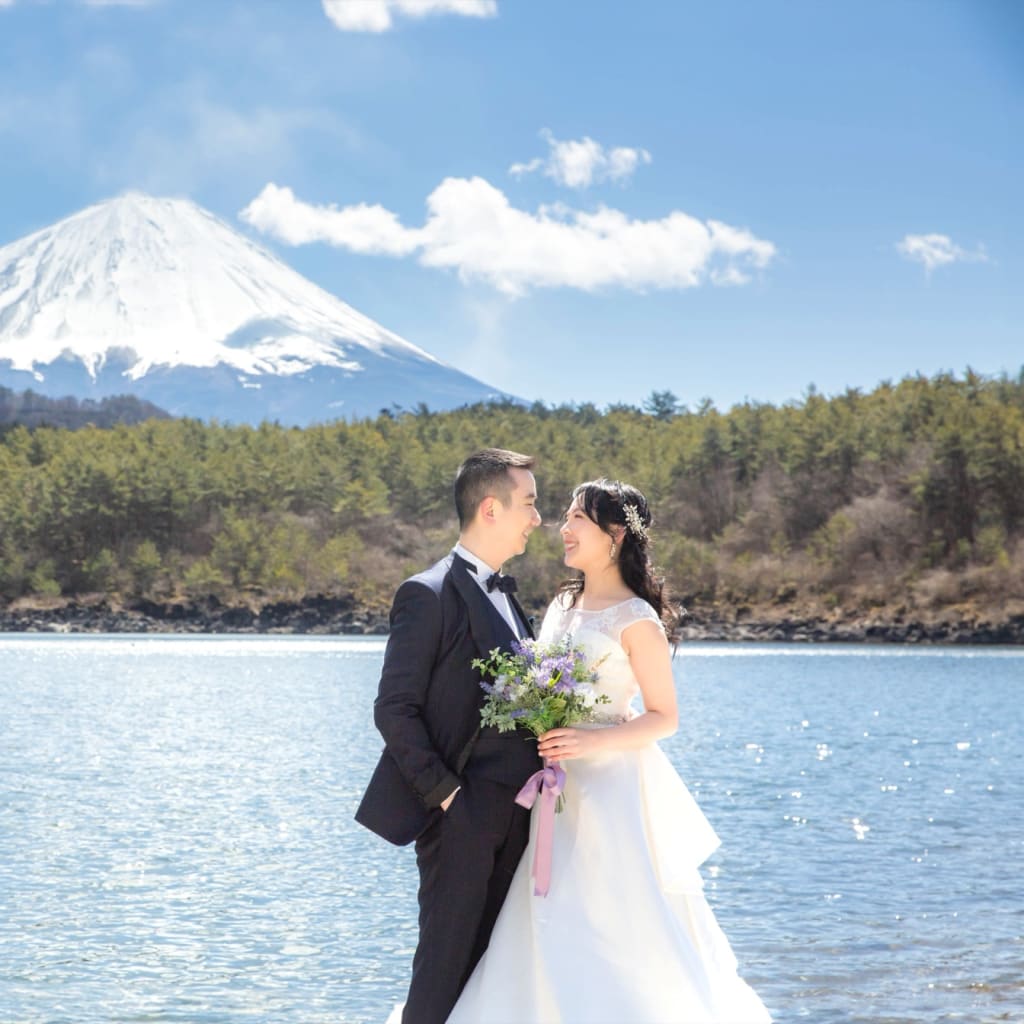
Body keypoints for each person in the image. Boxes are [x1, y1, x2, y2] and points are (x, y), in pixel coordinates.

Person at [447, 479, 772, 1024]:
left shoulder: (636, 619)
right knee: (546, 915)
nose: (563, 527)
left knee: (613, 916)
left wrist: (591, 739)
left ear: (615, 535)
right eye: (567, 516)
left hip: (610, 790)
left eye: (577, 518)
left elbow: (665, 717)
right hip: (557, 786)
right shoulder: (561, 604)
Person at [355, 448, 544, 1024]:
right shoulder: (427, 594)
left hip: (522, 814)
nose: (538, 518)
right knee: (442, 974)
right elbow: (394, 708)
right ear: (492, 508)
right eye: (530, 504)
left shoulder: (511, 595)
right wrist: (448, 797)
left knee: (493, 974)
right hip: (461, 817)